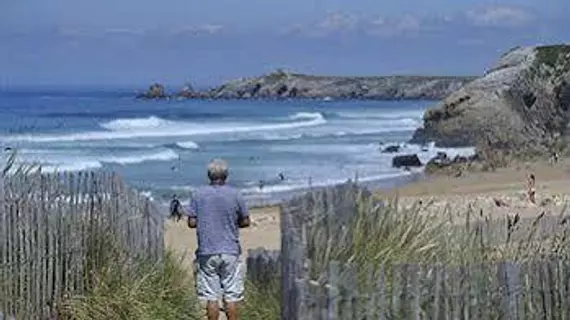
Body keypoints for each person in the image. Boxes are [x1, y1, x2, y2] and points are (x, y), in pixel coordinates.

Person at [187, 159, 250, 320]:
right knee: (231, 296)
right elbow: (245, 221)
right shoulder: (236, 194)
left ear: (209, 175)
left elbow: (191, 222)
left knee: (211, 296)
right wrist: (230, 221)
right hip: (230, 249)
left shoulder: (198, 194)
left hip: (207, 250)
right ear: (226, 175)